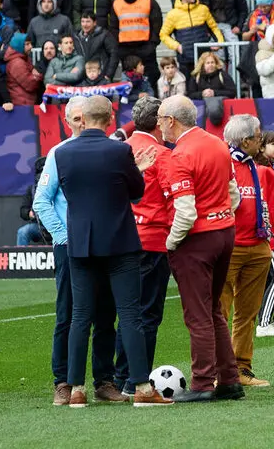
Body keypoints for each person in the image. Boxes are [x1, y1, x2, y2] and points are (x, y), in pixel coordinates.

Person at [46, 96, 167, 407]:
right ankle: (141, 386)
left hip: (81, 244)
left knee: (79, 317)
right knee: (129, 315)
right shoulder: (120, 150)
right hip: (120, 243)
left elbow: (69, 191)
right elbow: (136, 193)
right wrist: (136, 169)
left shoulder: (63, 153)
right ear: (111, 120)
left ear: (82, 119)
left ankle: (75, 389)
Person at [33, 97, 121, 405]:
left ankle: (104, 380)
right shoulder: (59, 153)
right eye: (74, 118)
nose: (79, 123)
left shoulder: (112, 150)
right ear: (70, 121)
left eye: (82, 117)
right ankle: (64, 382)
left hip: (107, 245)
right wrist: (63, 235)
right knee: (68, 314)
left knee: (106, 313)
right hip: (72, 246)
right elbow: (41, 200)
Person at [158, 95, 245, 402]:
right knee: (214, 311)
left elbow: (185, 211)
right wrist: (221, 215)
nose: (159, 125)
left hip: (197, 239)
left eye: (160, 119)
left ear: (171, 121)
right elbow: (233, 195)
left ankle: (203, 383)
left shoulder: (180, 154)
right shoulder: (218, 144)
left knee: (198, 315)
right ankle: (230, 379)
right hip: (225, 232)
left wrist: (170, 244)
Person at [110, 98, 174, 394]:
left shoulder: (118, 151)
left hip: (120, 241)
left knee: (126, 312)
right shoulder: (162, 155)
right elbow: (173, 201)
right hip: (152, 242)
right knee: (147, 314)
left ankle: (120, 377)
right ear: (159, 121)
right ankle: (137, 381)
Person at [221, 114, 274, 388]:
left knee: (248, 312)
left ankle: (241, 368)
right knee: (219, 311)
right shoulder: (222, 163)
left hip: (257, 246)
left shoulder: (255, 166)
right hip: (229, 247)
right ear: (245, 141)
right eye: (258, 136)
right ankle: (218, 371)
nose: (261, 140)